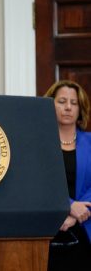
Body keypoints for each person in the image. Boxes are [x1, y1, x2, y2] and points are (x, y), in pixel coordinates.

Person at [44, 80, 91, 271]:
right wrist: (69, 206)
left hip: (85, 227)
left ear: (81, 109)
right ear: (50, 104)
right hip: (49, 228)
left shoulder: (89, 142)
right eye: (62, 101)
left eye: (74, 103)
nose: (68, 108)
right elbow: (37, 183)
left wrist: (77, 214)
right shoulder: (39, 142)